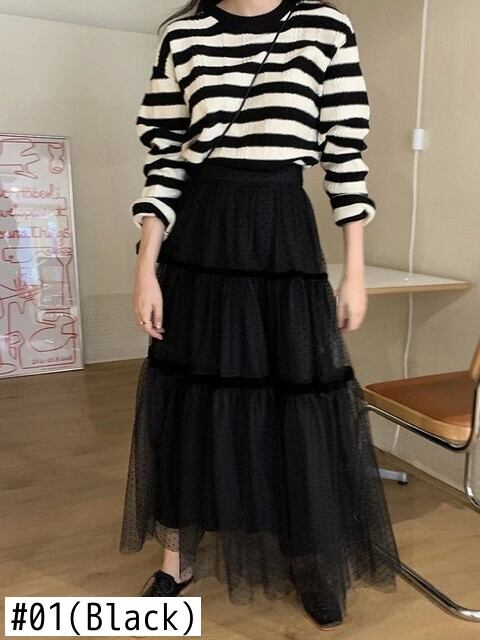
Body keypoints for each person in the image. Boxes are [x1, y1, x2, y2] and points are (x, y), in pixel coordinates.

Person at [119, 0, 401, 629]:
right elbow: (164, 159)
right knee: (191, 396)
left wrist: (353, 270)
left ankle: (307, 553)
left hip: (283, 234)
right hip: (200, 239)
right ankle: (178, 556)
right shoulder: (182, 34)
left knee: (294, 393)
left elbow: (345, 153)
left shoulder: (326, 27)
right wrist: (145, 266)